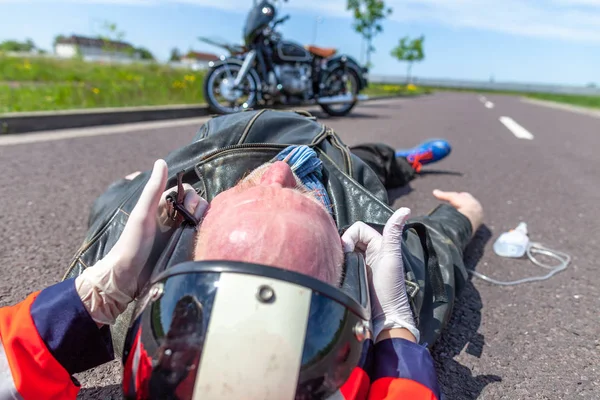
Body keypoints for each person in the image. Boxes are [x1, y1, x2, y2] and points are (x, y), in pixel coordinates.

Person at [0, 110, 483, 399]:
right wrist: (397, 324)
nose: (277, 174)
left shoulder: (125, 237)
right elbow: (438, 249)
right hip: (337, 167)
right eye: (298, 199)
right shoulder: (379, 276)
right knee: (371, 160)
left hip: (216, 142)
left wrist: (96, 294)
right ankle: (407, 159)